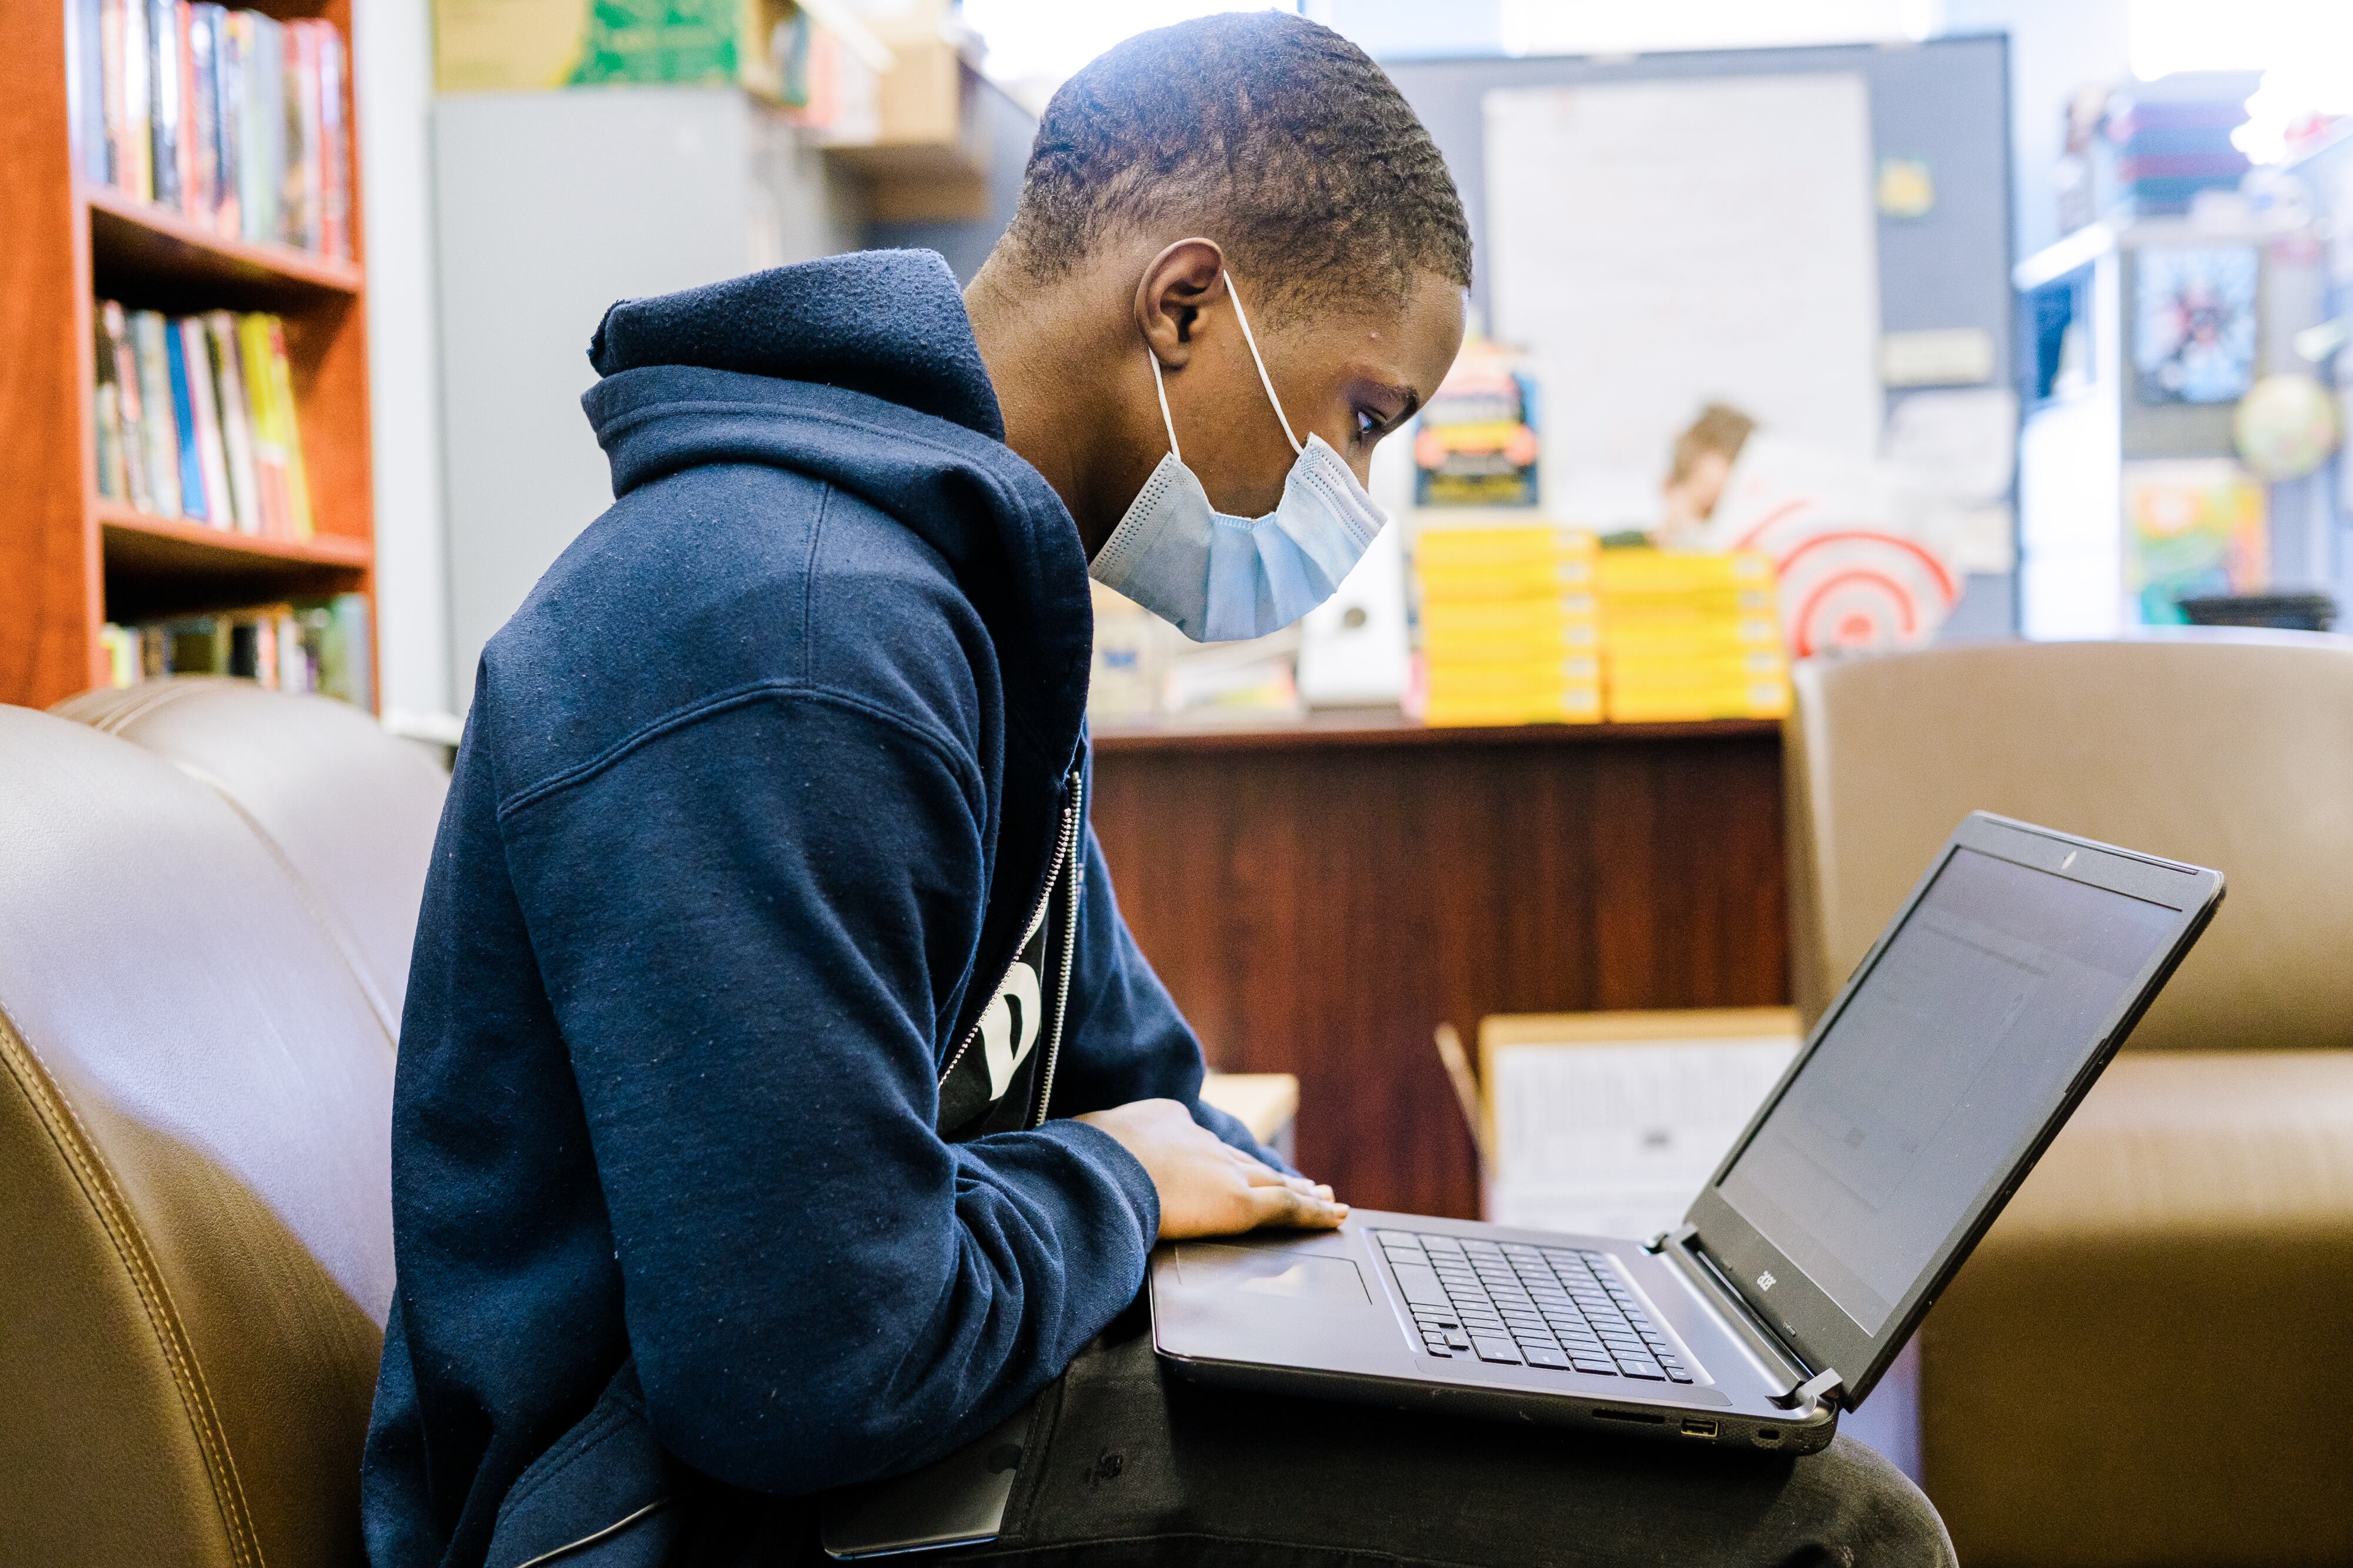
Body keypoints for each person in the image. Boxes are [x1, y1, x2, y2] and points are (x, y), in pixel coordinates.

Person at [362, 15, 1952, 1566]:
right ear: (1186, 305)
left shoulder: (970, 595)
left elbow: (1133, 1079)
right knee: (1834, 1528)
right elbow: (814, 1365)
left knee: (1680, 1442)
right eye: (1365, 420)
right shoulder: (785, 633)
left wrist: (1397, 1299)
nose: (1360, 495)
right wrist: (1125, 1179)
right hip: (694, 1510)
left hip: (883, 1426)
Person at [1659, 401, 1757, 545]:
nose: (1722, 527)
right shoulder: (1620, 553)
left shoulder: (1764, 559)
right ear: (1668, 488)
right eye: (1709, 511)